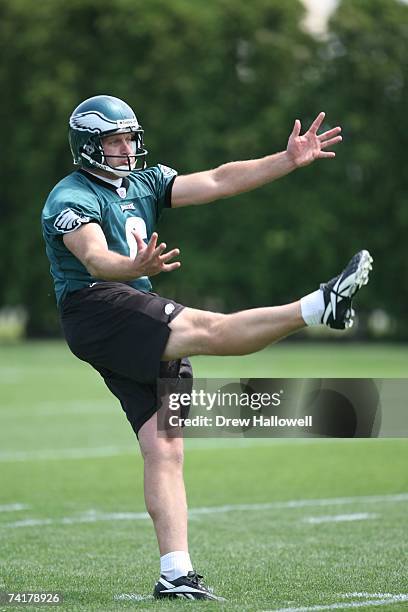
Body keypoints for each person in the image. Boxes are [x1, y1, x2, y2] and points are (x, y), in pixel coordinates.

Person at [41, 95, 372, 601]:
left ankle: (175, 573)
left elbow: (218, 179)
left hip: (130, 305)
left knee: (165, 446)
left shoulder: (143, 182)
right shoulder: (69, 197)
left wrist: (286, 160)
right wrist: (132, 269)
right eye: (114, 140)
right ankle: (317, 307)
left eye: (130, 137)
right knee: (210, 330)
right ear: (88, 146)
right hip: (99, 308)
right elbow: (95, 259)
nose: (126, 148)